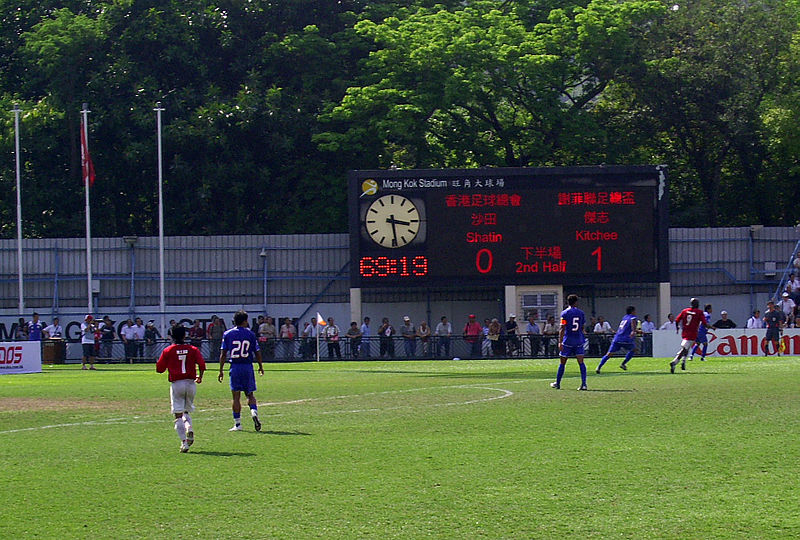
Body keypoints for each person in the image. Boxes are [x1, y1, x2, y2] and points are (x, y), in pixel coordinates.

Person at [156, 324, 206, 453]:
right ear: (185, 335)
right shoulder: (193, 349)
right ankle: (188, 426)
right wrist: (200, 377)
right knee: (186, 411)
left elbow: (159, 369)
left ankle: (184, 442)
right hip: (190, 383)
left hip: (177, 383)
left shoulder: (168, 350)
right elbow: (201, 364)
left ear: (171, 336)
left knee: (178, 415)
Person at [218, 310, 264, 432]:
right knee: (250, 394)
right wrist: (260, 366)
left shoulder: (228, 334)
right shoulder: (250, 334)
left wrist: (221, 370)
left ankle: (238, 424)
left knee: (236, 396)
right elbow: (257, 352)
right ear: (245, 321)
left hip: (235, 367)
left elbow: (223, 354)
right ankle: (253, 411)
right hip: (247, 366)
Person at [551, 294, 588, 391]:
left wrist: (560, 342)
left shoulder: (564, 313)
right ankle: (584, 384)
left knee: (562, 362)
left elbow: (562, 328)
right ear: (576, 302)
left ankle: (558, 383)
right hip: (578, 340)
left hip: (568, 341)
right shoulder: (581, 313)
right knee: (581, 362)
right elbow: (582, 326)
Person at [596, 306, 638, 373]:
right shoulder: (632, 317)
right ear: (632, 311)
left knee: (609, 354)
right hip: (625, 338)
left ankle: (599, 367)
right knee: (634, 349)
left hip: (617, 338)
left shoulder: (624, 317)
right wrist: (633, 331)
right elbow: (633, 321)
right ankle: (623, 364)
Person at [670, 298, 706, 373]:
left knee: (687, 348)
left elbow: (677, 320)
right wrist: (711, 327)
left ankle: (683, 362)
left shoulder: (685, 311)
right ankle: (675, 362)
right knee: (684, 348)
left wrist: (677, 328)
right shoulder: (699, 312)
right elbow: (704, 323)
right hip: (692, 334)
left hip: (685, 332)